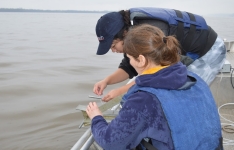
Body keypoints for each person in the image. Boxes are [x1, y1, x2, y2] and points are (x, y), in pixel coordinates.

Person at [86, 24, 223, 150]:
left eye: (130, 58)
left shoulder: (144, 99)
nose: (130, 63)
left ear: (141, 60)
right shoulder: (196, 79)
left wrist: (96, 117)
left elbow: (111, 142)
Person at [93, 7, 226, 101]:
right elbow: (129, 66)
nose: (113, 50)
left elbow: (158, 73)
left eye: (113, 45)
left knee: (184, 92)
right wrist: (106, 81)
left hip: (209, 50)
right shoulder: (132, 32)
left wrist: (121, 91)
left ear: (124, 34)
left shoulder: (150, 31)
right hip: (182, 55)